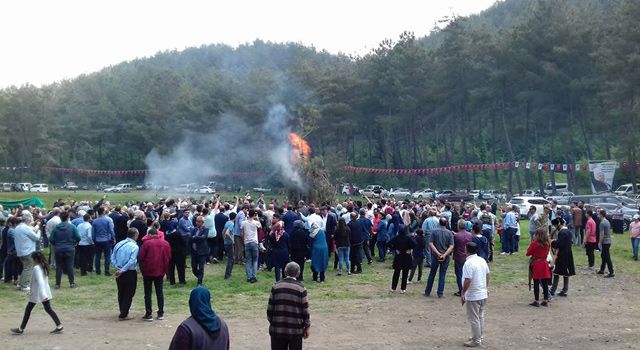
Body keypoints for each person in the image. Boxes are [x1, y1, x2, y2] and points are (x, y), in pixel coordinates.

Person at [11, 251, 64, 335]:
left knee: (29, 309)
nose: (32, 261)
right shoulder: (43, 266)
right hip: (42, 293)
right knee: (47, 309)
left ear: (35, 259)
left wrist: (43, 295)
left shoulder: (37, 268)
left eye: (32, 259)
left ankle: (21, 329)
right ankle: (59, 326)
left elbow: (40, 282)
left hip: (39, 294)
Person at [267, 262, 310, 350]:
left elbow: (270, 309)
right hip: (295, 330)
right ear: (298, 273)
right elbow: (305, 311)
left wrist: (273, 323)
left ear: (285, 272)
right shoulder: (301, 288)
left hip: (277, 329)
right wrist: (307, 326)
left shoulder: (276, 286)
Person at [460, 242, 490, 348]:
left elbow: (467, 280)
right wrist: (485, 288)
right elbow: (487, 275)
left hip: (474, 294)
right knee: (480, 316)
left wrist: (463, 292)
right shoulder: (482, 260)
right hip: (482, 293)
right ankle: (479, 336)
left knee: (474, 318)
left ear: (467, 250)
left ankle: (476, 340)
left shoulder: (468, 263)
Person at [138, 228, 171, 321]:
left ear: (149, 235)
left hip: (148, 271)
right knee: (159, 292)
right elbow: (169, 257)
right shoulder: (165, 244)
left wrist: (142, 268)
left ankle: (148, 314)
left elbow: (140, 257)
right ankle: (160, 313)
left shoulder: (146, 244)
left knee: (148, 293)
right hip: (160, 271)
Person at [111, 227, 140, 320]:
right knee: (129, 293)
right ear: (135, 235)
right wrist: (122, 270)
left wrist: (117, 267)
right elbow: (132, 261)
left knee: (121, 291)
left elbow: (112, 257)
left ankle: (122, 310)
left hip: (119, 270)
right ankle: (124, 313)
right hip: (129, 272)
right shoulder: (134, 246)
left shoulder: (119, 244)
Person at [49, 211, 80, 289]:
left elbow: (51, 239)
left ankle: (57, 284)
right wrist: (74, 242)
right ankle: (72, 283)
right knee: (70, 266)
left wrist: (56, 244)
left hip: (59, 248)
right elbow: (78, 237)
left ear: (60, 218)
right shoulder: (72, 227)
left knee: (59, 266)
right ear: (68, 217)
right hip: (70, 248)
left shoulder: (56, 228)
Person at [424, 217, 454, 298]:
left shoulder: (434, 231)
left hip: (435, 256)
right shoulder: (449, 233)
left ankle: (427, 291)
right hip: (446, 256)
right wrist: (444, 254)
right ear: (446, 223)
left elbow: (430, 243)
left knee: (432, 273)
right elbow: (451, 246)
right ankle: (440, 293)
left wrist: (437, 253)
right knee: (442, 274)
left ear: (439, 223)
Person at [14, 212, 41, 291]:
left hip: (20, 251)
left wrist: (35, 227)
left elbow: (30, 230)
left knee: (25, 268)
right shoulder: (26, 228)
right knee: (28, 268)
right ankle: (24, 285)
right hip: (28, 251)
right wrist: (38, 231)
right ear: (28, 220)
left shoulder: (18, 227)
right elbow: (36, 237)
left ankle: (20, 283)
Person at [526, 228, 551, 307]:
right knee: (545, 283)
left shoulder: (535, 243)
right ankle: (545, 300)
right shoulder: (548, 243)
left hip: (536, 264)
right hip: (544, 263)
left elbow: (528, 253)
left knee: (536, 282)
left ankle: (536, 300)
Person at [550, 218, 575, 297]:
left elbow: (560, 244)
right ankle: (565, 289)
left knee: (556, 272)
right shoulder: (569, 232)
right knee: (565, 273)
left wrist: (553, 241)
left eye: (555, 225)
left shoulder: (562, 233)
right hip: (568, 254)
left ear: (558, 224)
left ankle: (553, 290)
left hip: (562, 255)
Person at [388, 227, 415, 293]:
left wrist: (395, 248)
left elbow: (388, 243)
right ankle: (403, 289)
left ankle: (393, 288)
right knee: (405, 274)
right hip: (406, 256)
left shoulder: (396, 238)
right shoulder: (408, 238)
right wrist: (410, 249)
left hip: (399, 256)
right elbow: (415, 244)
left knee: (396, 273)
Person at [92, 207, 115, 276]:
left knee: (98, 256)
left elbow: (93, 232)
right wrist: (113, 238)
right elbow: (111, 230)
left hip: (97, 240)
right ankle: (106, 271)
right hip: (106, 240)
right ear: (103, 212)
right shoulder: (108, 220)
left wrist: (94, 239)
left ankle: (98, 271)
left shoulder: (95, 221)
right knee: (107, 256)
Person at [241, 209, 261, 283]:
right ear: (254, 215)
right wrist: (257, 218)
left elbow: (241, 233)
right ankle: (254, 275)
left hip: (247, 242)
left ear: (248, 214)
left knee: (248, 260)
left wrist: (244, 240)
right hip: (254, 242)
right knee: (255, 260)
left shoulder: (243, 223)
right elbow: (261, 228)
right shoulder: (256, 223)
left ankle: (249, 276)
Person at [453, 220, 472, 296]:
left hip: (459, 256)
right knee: (468, 273)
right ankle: (467, 288)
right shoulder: (470, 235)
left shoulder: (456, 236)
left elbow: (454, 246)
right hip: (468, 256)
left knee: (459, 274)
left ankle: (461, 289)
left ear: (458, 226)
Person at [269, 214, 289, 281]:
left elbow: (271, 242)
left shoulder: (273, 235)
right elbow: (288, 244)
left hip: (276, 251)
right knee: (284, 267)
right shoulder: (286, 234)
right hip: (284, 252)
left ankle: (277, 280)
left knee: (277, 267)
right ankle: (285, 279)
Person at [191, 216, 209, 286]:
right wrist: (195, 237)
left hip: (202, 252)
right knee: (194, 267)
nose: (197, 223)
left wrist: (195, 237)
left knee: (201, 267)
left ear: (202, 222)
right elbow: (190, 237)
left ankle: (199, 282)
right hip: (194, 251)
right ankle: (199, 276)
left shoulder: (205, 229)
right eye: (196, 221)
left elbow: (203, 238)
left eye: (198, 221)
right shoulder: (194, 229)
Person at [597, 209, 615, 277]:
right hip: (608, 241)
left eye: (598, 213)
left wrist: (599, 243)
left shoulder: (602, 223)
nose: (597, 215)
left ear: (601, 215)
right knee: (603, 256)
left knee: (607, 257)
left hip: (605, 242)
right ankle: (602, 270)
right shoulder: (607, 221)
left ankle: (611, 272)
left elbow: (602, 234)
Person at [222, 212, 236, 279]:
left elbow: (223, 232)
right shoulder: (232, 224)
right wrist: (232, 240)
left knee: (230, 259)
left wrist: (224, 239)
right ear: (235, 217)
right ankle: (227, 275)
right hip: (230, 243)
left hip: (226, 243)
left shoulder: (227, 222)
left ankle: (228, 274)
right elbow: (227, 233)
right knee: (231, 259)